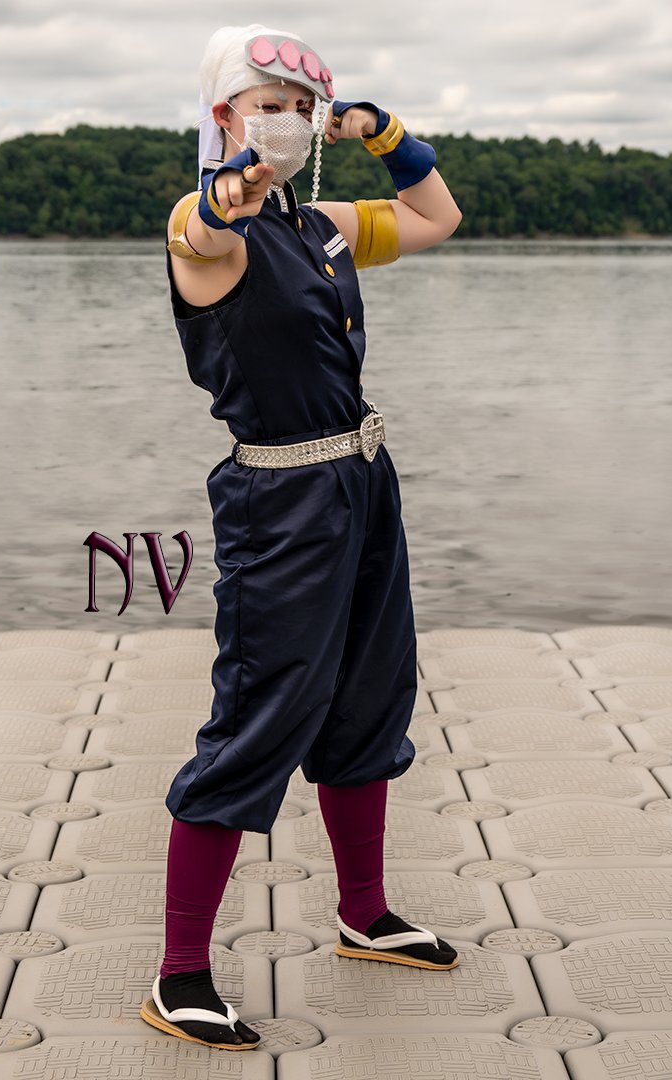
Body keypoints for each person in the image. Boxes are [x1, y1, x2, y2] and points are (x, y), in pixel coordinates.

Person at [140, 23, 464, 1051]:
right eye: (265, 104)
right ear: (225, 114)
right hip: (280, 502)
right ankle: (180, 975)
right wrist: (224, 193)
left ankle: (364, 915)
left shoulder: (321, 224)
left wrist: (385, 132)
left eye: (299, 106)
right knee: (260, 717)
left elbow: (438, 215)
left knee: (371, 696)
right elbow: (201, 231)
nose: (284, 120)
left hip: (364, 483)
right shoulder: (213, 226)